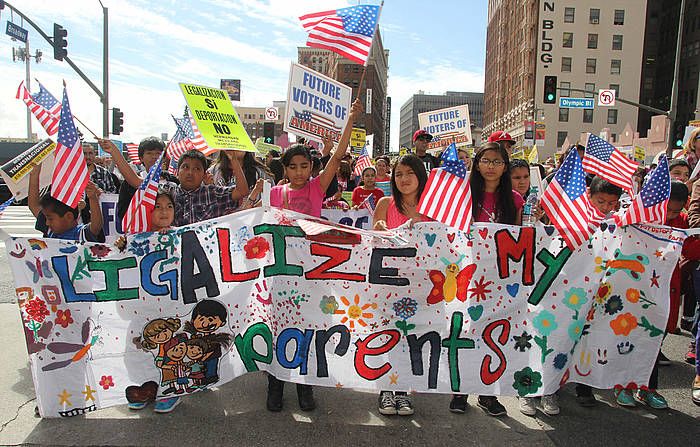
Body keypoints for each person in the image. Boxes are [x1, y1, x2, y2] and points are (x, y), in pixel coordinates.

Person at [265, 98, 362, 412]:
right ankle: (275, 385)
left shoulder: (317, 188)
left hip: (314, 272)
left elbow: (336, 156)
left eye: (303, 166)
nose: (298, 171)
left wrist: (350, 118)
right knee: (278, 326)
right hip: (282, 273)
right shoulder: (276, 193)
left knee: (309, 325)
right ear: (284, 168)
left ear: (311, 168)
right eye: (292, 166)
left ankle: (305, 388)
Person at [451, 142, 522, 417]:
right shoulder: (462, 195)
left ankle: (488, 393)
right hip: (467, 275)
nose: (491, 166)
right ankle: (460, 391)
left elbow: (518, 238)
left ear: (505, 167)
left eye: (497, 161)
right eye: (486, 160)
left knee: (495, 335)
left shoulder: (515, 199)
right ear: (477, 164)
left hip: (499, 278)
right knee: (465, 331)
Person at [373, 154, 430, 416]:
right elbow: (372, 243)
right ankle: (386, 389)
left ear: (420, 176)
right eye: (399, 174)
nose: (404, 179)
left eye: (410, 173)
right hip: (389, 286)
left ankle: (403, 390)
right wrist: (380, 229)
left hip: (422, 287)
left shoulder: (433, 208)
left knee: (411, 338)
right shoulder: (385, 204)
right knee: (388, 337)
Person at [27, 163, 104, 242]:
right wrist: (34, 175)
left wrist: (92, 198)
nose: (47, 223)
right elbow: (34, 206)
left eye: (50, 219)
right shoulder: (51, 232)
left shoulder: (81, 234)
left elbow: (96, 226)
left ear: (69, 216)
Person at [171, 150, 249, 226]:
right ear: (177, 172)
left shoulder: (212, 193)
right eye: (185, 167)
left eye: (196, 168)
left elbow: (242, 192)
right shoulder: (170, 194)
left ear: (204, 175)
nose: (190, 173)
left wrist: (234, 160)